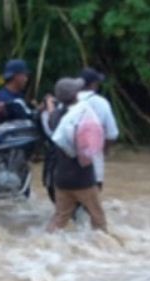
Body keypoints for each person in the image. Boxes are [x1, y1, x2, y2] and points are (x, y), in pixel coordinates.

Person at [45, 78, 107, 233]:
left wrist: (49, 104)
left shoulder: (57, 117)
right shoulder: (82, 115)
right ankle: (108, 250)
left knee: (60, 218)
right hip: (83, 178)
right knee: (98, 218)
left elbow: (52, 116)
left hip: (61, 178)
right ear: (75, 95)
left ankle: (45, 244)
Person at [77, 68, 119, 190]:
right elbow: (112, 134)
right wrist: (105, 149)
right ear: (93, 84)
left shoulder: (67, 101)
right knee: (92, 207)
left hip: (66, 171)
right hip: (93, 168)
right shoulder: (101, 103)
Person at [0, 59, 30, 125]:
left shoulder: (19, 95)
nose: (26, 79)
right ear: (16, 76)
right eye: (24, 75)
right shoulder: (2, 98)